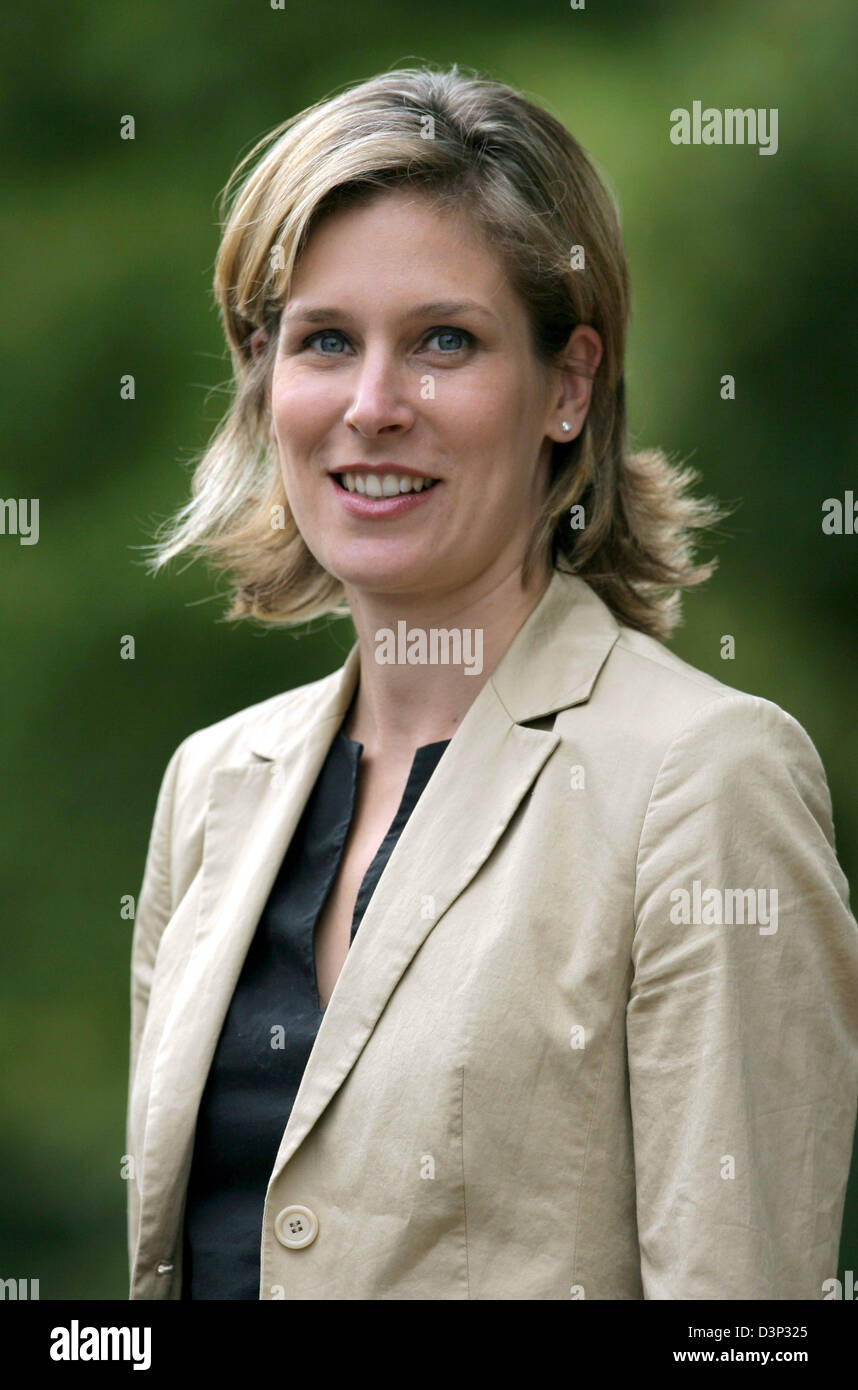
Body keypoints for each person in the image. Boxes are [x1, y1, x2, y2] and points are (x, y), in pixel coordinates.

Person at [127, 64, 858, 1300]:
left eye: (443, 342)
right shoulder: (212, 788)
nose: (372, 406)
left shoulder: (702, 781)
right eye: (323, 342)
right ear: (265, 380)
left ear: (568, 386)